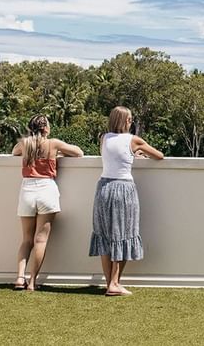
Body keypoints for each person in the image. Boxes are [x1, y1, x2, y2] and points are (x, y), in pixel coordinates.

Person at [89, 106, 164, 296]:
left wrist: (132, 155)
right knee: (124, 234)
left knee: (105, 236)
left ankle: (110, 284)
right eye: (129, 119)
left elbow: (113, 157)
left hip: (104, 188)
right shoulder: (134, 140)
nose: (131, 122)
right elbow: (159, 156)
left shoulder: (103, 138)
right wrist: (137, 153)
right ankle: (114, 283)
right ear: (124, 121)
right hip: (124, 188)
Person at [12, 114, 84, 291]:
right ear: (46, 128)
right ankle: (32, 281)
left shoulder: (25, 144)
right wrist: (57, 154)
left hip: (27, 190)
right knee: (40, 240)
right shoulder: (53, 144)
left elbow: (14, 152)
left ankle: (19, 278)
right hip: (46, 189)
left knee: (26, 239)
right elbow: (79, 152)